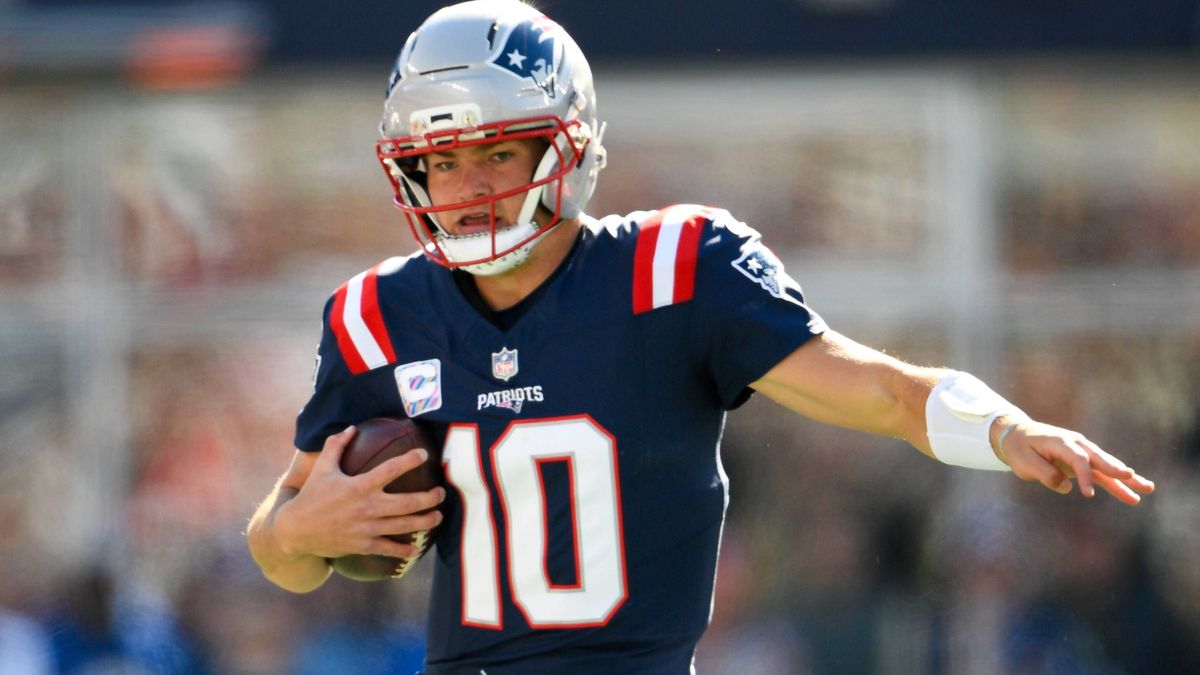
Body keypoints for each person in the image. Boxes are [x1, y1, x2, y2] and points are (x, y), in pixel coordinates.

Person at [246, 1, 1156, 673]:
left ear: (563, 149)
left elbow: (880, 391)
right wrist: (300, 530)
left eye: (496, 151)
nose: (465, 186)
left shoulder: (673, 271)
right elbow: (279, 546)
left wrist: (1004, 429)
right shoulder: (379, 316)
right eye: (441, 162)